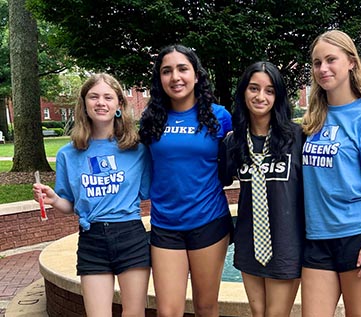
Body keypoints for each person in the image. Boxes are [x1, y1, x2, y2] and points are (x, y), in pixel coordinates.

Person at [32, 73, 152, 317]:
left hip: (130, 235)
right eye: (94, 96)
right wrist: (53, 199)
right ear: (84, 104)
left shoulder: (136, 149)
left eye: (108, 97)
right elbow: (69, 205)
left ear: (119, 104)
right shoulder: (69, 154)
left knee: (134, 313)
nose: (101, 102)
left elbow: (149, 191)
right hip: (92, 239)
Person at [301, 29, 361, 316]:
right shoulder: (313, 118)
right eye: (317, 63)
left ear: (351, 62)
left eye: (331, 60)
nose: (323, 68)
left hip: (359, 236)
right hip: (317, 238)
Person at [139, 44, 233, 317]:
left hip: (209, 221)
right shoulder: (151, 120)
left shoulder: (220, 116)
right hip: (165, 224)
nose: (175, 77)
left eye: (182, 69)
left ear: (196, 75)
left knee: (206, 306)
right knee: (168, 311)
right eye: (166, 71)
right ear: (159, 79)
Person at [219, 61, 305, 317]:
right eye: (254, 88)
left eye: (269, 90)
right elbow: (215, 181)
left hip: (286, 241)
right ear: (244, 92)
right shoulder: (233, 142)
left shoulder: (297, 137)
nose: (260, 96)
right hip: (249, 242)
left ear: (277, 96)